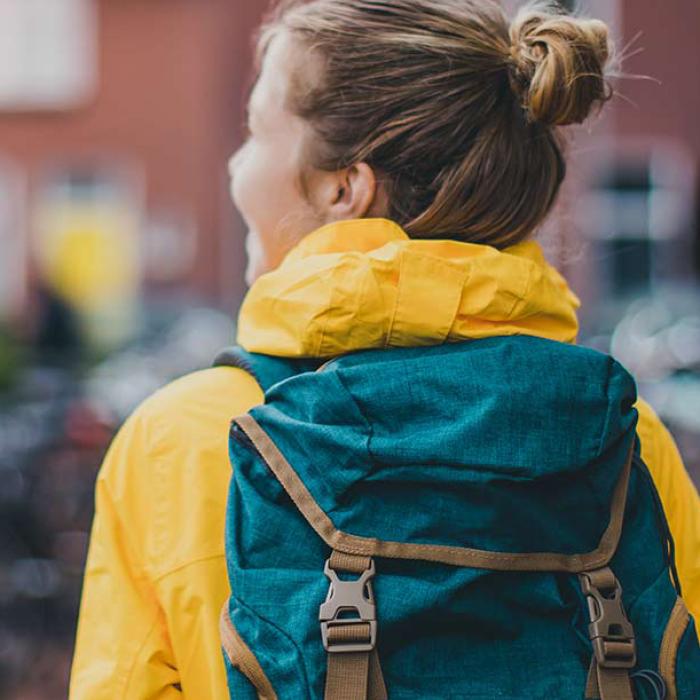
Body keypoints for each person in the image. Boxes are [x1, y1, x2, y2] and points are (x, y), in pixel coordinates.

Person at [69, 1, 700, 697]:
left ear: (345, 188)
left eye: (253, 134)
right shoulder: (622, 439)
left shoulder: (184, 438)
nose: (235, 168)